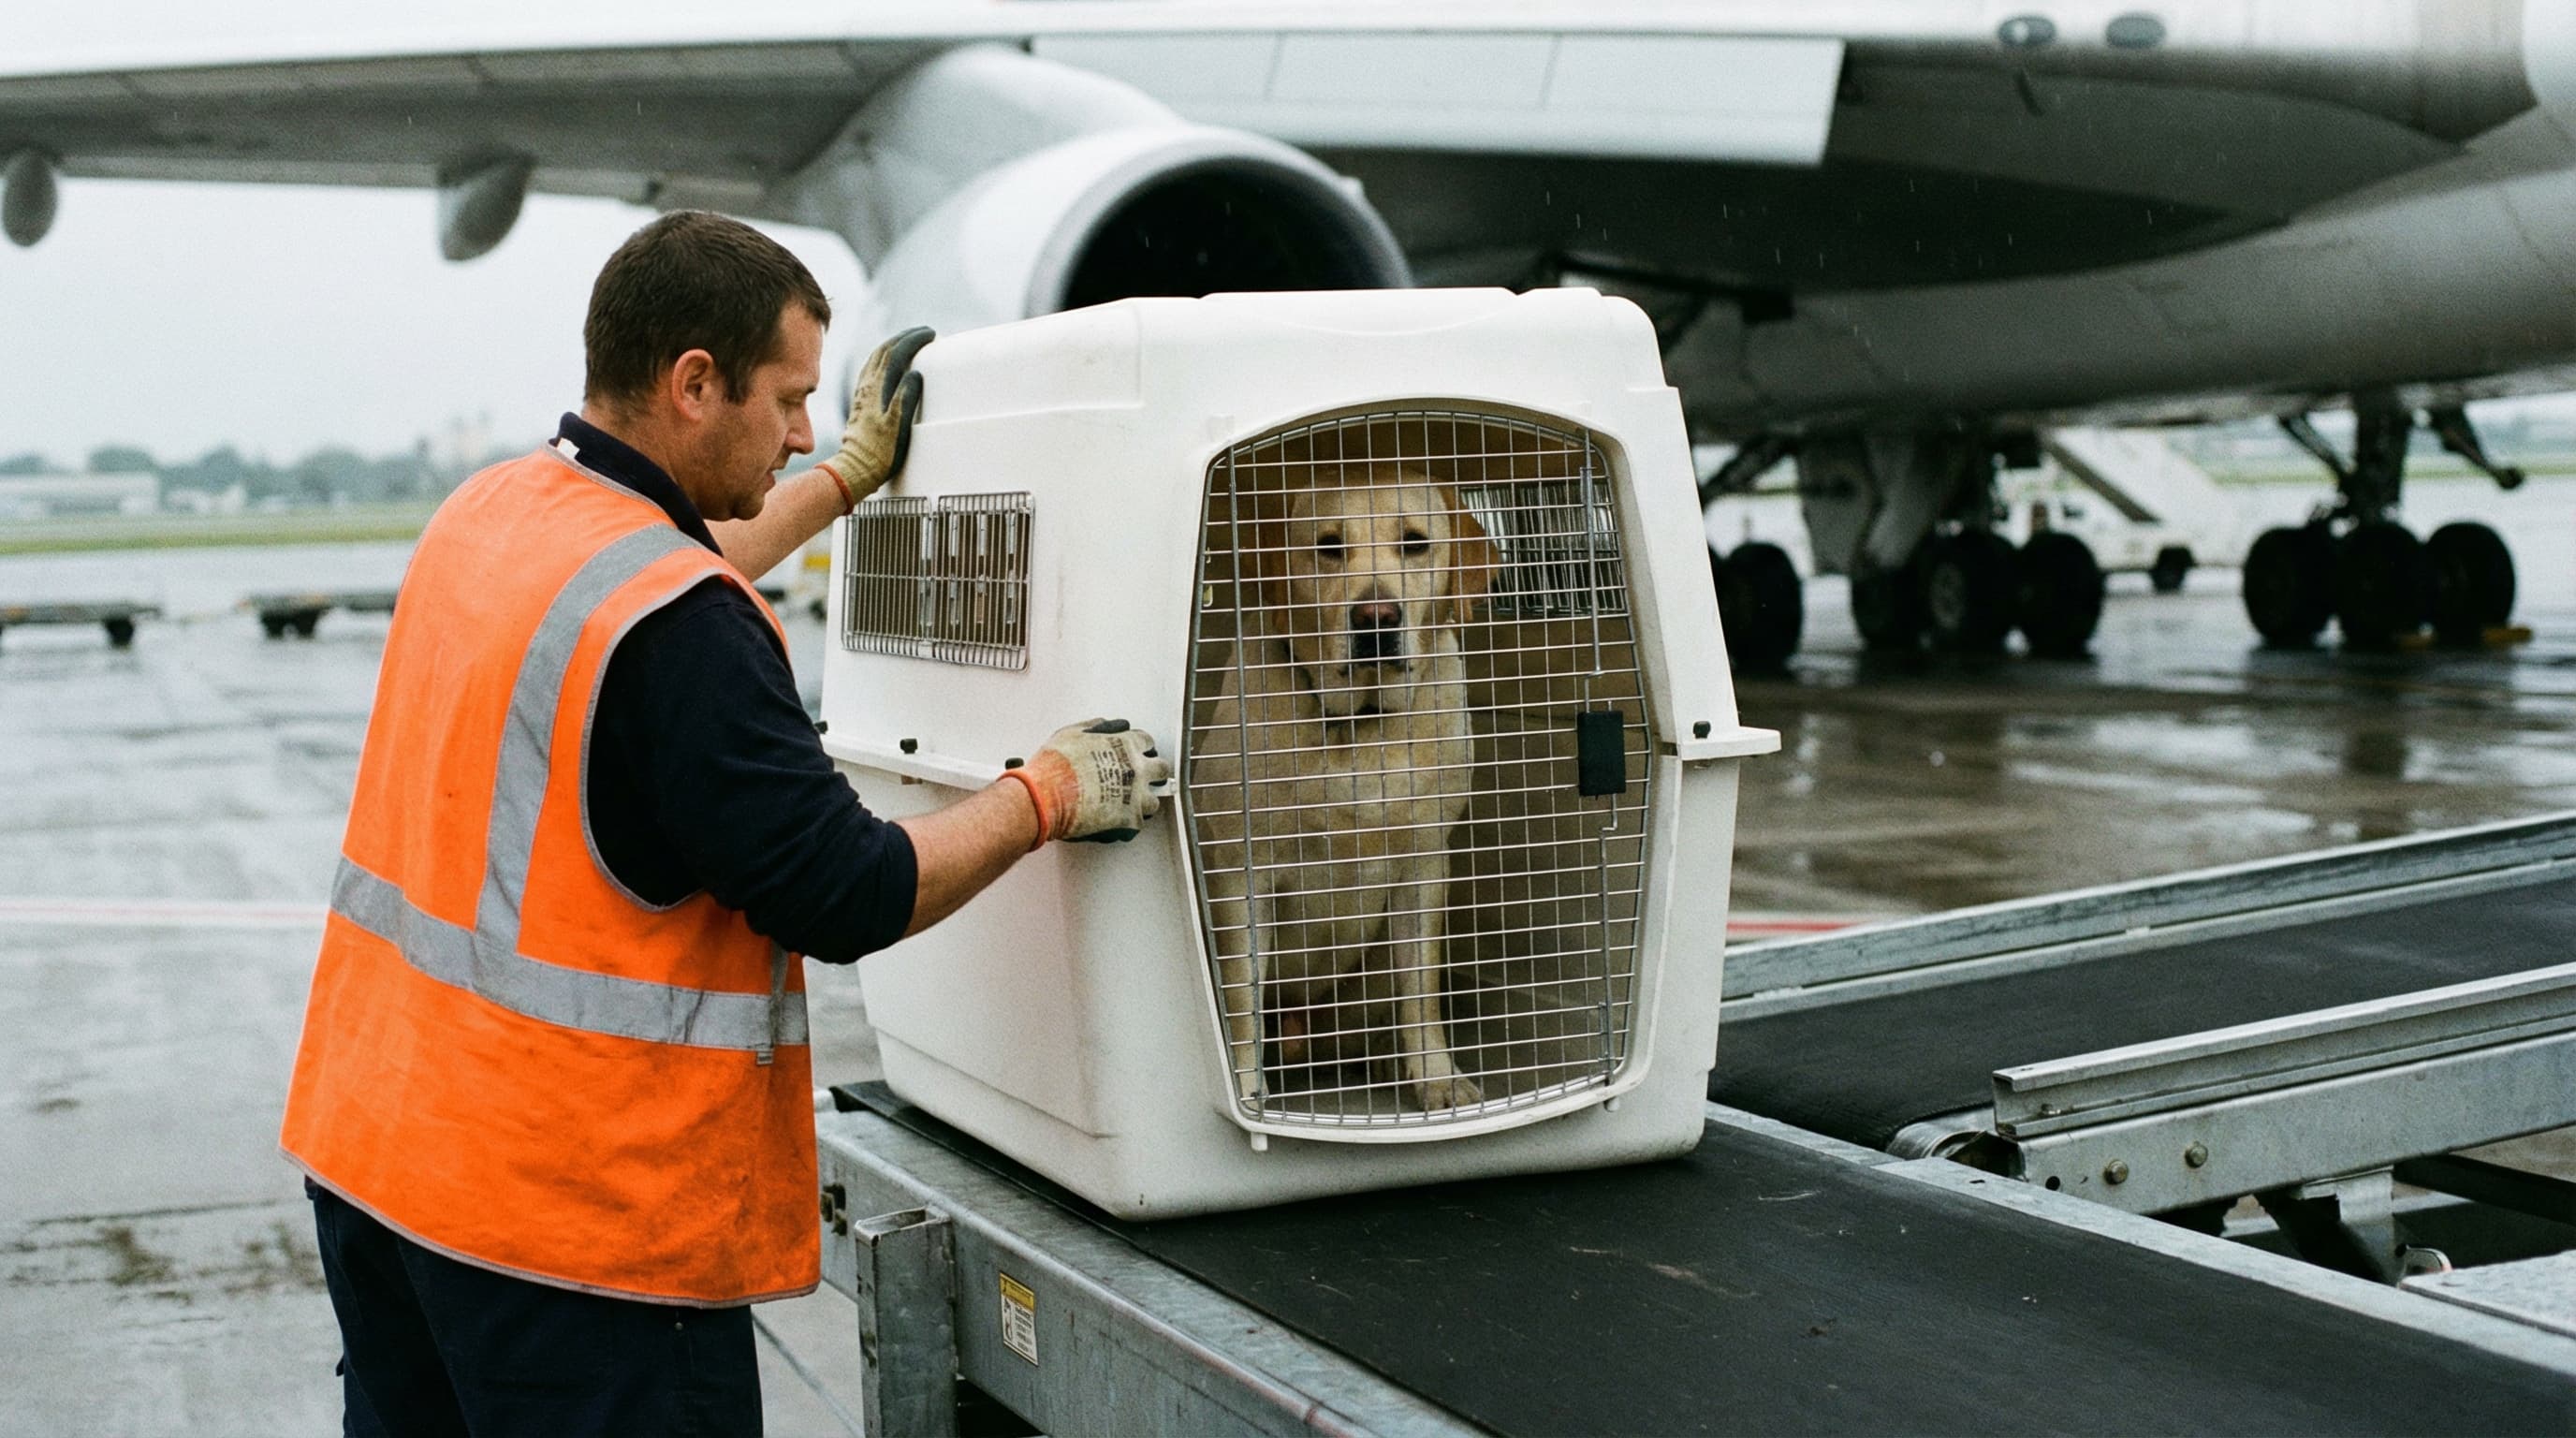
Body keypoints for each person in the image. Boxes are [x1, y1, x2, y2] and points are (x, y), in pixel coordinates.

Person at [278, 210, 1168, 1435]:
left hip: (385, 1172)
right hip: (575, 1238)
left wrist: (846, 477)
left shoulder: (495, 513)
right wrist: (1049, 793)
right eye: (791, 398)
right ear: (695, 383)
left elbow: (670, 559)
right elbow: (846, 888)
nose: (804, 428)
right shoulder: (681, 628)